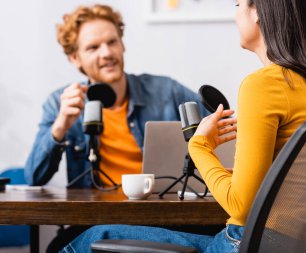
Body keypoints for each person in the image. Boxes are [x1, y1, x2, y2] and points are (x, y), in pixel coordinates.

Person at [60, 0, 306, 252]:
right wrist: (265, 177)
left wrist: (200, 146)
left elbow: (240, 208)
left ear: (258, 12)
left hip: (239, 245)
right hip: (287, 246)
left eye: (238, 3)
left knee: (90, 239)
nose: (236, 11)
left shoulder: (262, 85)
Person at [24, 4, 207, 253]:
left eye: (112, 42)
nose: (107, 52)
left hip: (166, 216)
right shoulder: (60, 103)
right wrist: (60, 126)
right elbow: (34, 177)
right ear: (74, 57)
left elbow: (223, 135)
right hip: (99, 220)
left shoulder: (167, 91)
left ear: (123, 45)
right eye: (93, 47)